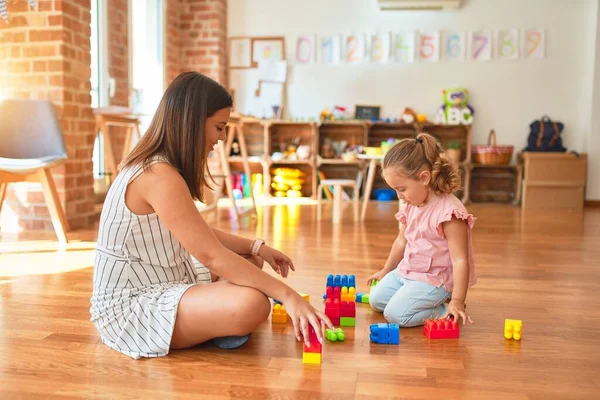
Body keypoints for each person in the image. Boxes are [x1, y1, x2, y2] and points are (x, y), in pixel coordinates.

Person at [90, 72, 333, 359]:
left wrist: (258, 247)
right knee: (253, 303)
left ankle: (213, 319)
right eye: (219, 127)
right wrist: (288, 296)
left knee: (250, 262)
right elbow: (211, 254)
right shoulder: (157, 174)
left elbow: (197, 232)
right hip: (132, 306)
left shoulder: (160, 166)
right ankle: (216, 321)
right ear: (192, 121)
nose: (221, 138)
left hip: (169, 278)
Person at [367, 133, 477, 327]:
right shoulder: (411, 203)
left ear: (424, 178)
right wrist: (385, 270)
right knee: (376, 300)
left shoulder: (450, 213)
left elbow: (461, 260)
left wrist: (457, 300)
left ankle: (444, 310)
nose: (399, 196)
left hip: (434, 280)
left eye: (401, 189)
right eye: (395, 190)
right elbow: (402, 240)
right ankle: (419, 301)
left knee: (395, 315)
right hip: (408, 271)